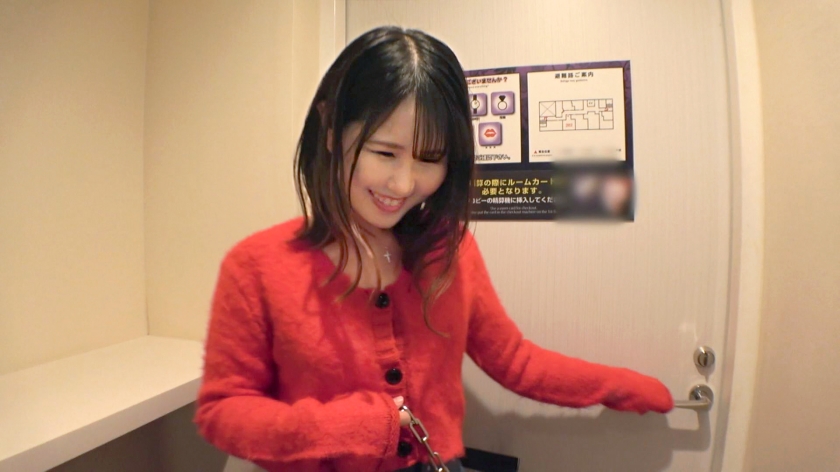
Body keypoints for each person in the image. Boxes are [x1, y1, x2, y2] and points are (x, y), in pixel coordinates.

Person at [194, 26, 673, 472]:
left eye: (429, 159)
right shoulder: (257, 265)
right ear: (331, 129)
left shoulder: (448, 249)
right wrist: (349, 426)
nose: (404, 184)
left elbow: (514, 360)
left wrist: (619, 386)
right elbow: (223, 412)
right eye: (385, 153)